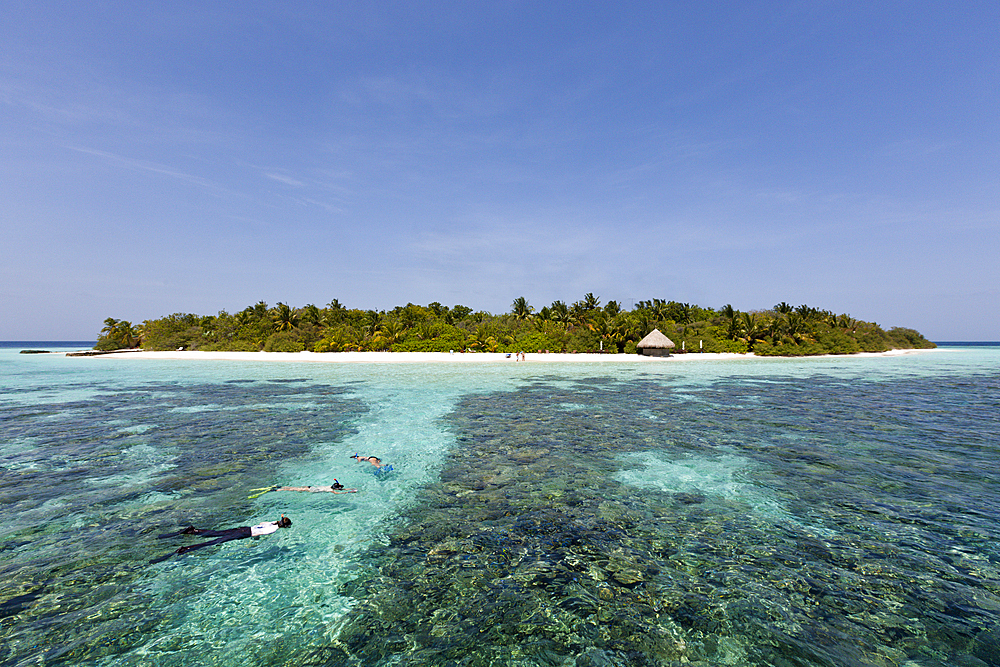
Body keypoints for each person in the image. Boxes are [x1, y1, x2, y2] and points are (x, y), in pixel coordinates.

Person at [151, 515, 291, 563]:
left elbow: (260, 525)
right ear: (284, 527)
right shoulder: (274, 529)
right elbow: (260, 534)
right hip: (244, 534)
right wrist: (256, 541)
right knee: (215, 542)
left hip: (243, 528)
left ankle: (193, 531)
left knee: (216, 533)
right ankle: (185, 549)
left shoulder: (272, 523)